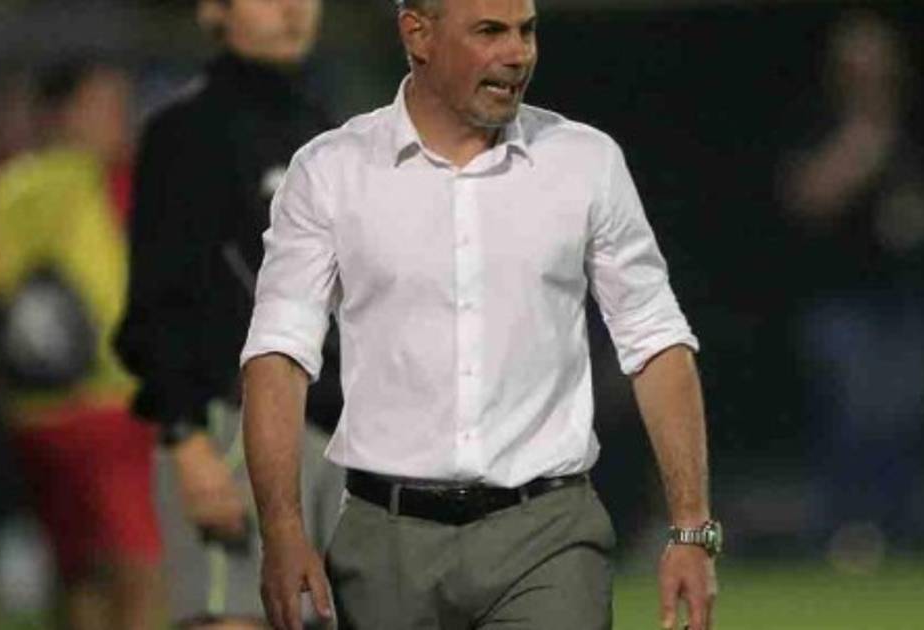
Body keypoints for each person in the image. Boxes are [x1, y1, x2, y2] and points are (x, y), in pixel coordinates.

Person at [240, 0, 719, 629]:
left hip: (549, 538)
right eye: (490, 31)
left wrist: (691, 528)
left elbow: (655, 341)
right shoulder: (330, 172)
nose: (517, 54)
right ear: (418, 34)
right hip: (385, 545)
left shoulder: (585, 162)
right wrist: (281, 532)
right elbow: (277, 356)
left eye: (527, 30)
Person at [115, 0, 345, 627]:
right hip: (230, 426)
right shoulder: (186, 133)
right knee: (232, 619)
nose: (292, 9)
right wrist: (186, 440)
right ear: (213, 10)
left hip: (333, 428)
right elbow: (157, 300)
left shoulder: (328, 132)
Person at [0, 59, 162, 630]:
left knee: (79, 571)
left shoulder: (1, 187)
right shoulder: (98, 180)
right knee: (141, 570)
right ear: (61, 115)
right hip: (109, 405)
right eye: (103, 106)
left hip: (34, 409)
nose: (120, 119)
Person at [778, 11, 924, 563]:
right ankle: (845, 533)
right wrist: (864, 142)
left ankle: (903, 535)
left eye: (881, 61)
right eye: (860, 61)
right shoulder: (818, 121)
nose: (872, 72)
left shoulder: (917, 125)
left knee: (907, 416)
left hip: (907, 294)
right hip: (842, 297)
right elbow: (808, 197)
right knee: (851, 417)